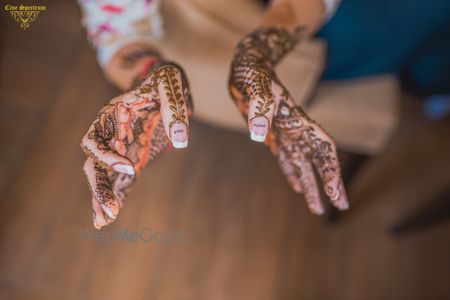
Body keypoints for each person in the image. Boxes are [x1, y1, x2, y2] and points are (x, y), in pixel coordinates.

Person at [79, 0, 449, 229]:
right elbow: (119, 33)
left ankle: (428, 79)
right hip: (322, 41)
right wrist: (153, 77)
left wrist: (255, 56)